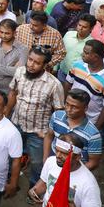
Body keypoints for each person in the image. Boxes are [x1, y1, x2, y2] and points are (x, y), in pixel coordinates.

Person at [7, 46, 64, 185]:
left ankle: (34, 188)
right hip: (16, 124)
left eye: (37, 63)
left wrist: (50, 133)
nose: (31, 65)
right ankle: (9, 179)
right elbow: (13, 93)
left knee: (38, 163)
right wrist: (6, 115)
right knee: (11, 155)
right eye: (30, 60)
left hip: (38, 132)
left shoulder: (54, 84)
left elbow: (59, 111)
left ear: (45, 65)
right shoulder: (20, 72)